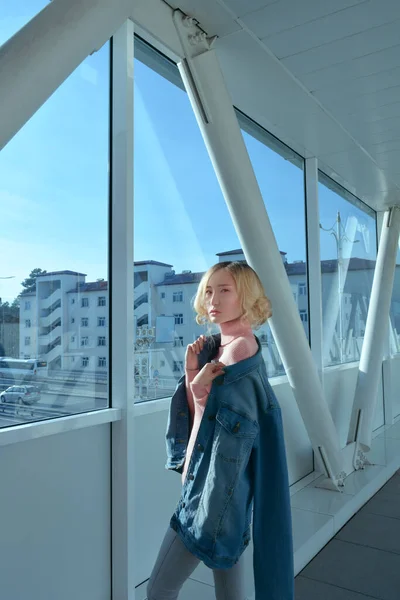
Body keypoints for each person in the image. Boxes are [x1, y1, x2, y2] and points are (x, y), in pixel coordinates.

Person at [147, 261, 294, 600]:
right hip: (231, 501)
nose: (213, 299)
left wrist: (199, 392)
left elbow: (222, 443)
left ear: (247, 296)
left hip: (210, 504)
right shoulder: (228, 348)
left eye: (225, 290)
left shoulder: (237, 354)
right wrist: (192, 374)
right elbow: (210, 426)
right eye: (209, 291)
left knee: (159, 590)